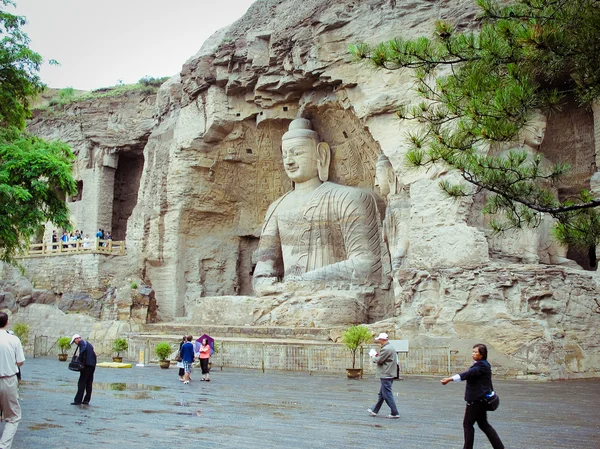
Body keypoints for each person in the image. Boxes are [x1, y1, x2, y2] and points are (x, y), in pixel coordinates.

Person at [253, 118, 384, 288]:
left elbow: (366, 264)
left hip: (333, 297)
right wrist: (264, 284)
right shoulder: (277, 207)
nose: (289, 161)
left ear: (321, 155)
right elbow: (263, 268)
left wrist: (306, 280)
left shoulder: (348, 198)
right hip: (286, 296)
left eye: (297, 153)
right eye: (285, 155)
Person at [441, 343, 504, 449]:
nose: (473, 354)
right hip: (481, 399)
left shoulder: (481, 366)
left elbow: (468, 374)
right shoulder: (483, 364)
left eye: (476, 352)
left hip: (476, 400)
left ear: (482, 354)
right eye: (473, 351)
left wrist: (450, 379)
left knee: (468, 424)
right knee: (484, 424)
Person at [0, 312, 25, 449]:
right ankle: (3, 445)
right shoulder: (14, 339)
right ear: (7, 322)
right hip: (8, 379)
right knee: (13, 417)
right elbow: (20, 361)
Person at [367, 332, 400, 419]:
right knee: (382, 394)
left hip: (386, 373)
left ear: (382, 340)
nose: (379, 341)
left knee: (387, 394)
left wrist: (372, 356)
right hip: (389, 373)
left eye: (379, 340)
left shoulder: (386, 349)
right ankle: (374, 410)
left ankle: (394, 412)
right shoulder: (390, 347)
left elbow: (379, 360)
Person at [70, 334, 97, 405]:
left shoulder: (82, 343)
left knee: (81, 383)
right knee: (89, 383)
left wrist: (80, 361)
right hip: (92, 365)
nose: (75, 343)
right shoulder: (88, 344)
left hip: (86, 366)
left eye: (74, 341)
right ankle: (86, 400)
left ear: (76, 339)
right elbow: (94, 355)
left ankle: (78, 400)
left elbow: (82, 352)